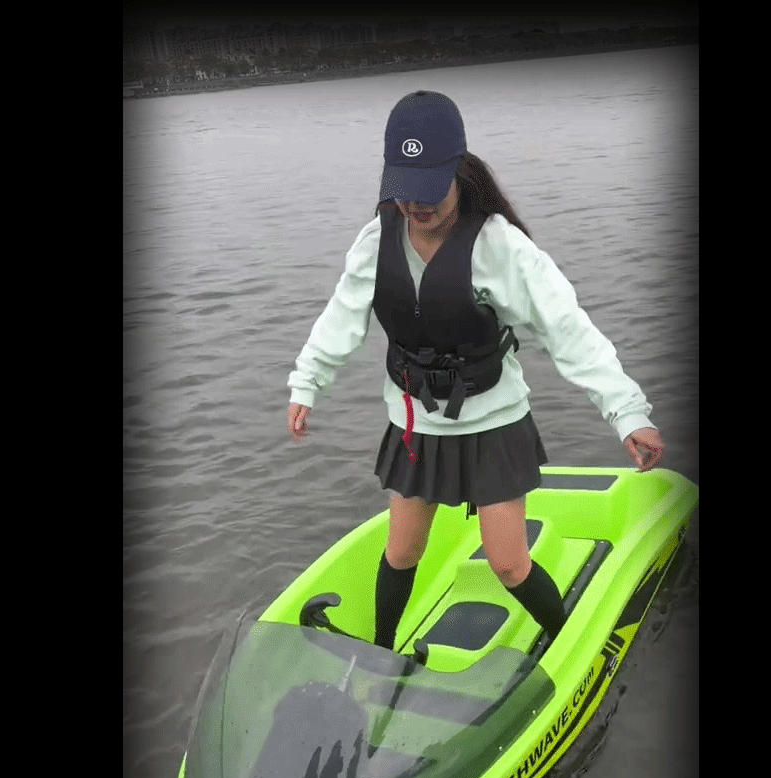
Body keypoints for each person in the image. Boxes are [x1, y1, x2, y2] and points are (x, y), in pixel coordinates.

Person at [284, 90, 665, 654]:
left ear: (457, 170)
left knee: (508, 563)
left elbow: (569, 330)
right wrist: (307, 382)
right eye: (406, 189)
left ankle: (570, 645)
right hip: (417, 421)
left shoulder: (499, 247)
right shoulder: (376, 242)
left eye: (431, 190)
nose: (417, 205)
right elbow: (340, 318)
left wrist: (627, 413)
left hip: (493, 420)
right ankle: (383, 654)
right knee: (401, 551)